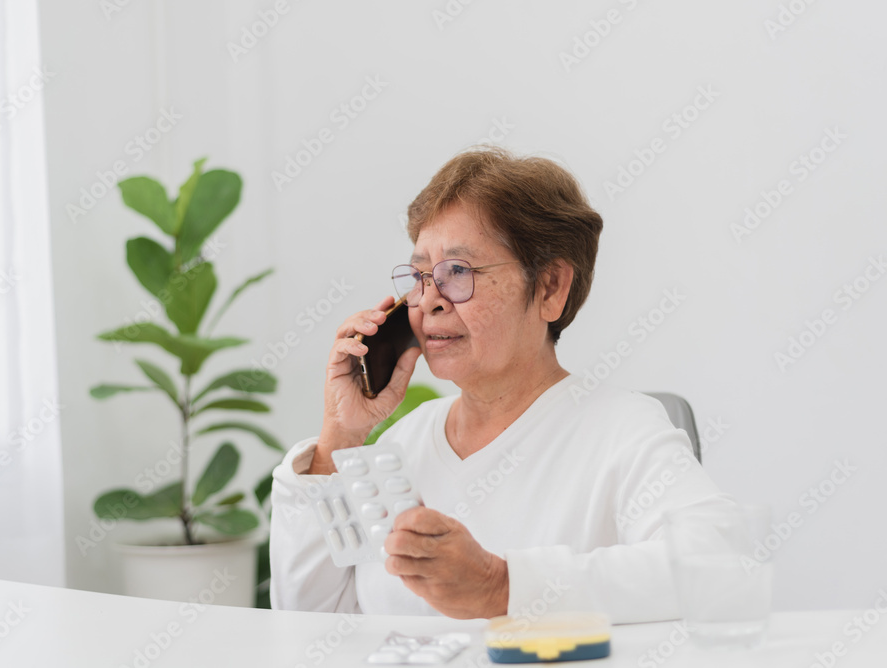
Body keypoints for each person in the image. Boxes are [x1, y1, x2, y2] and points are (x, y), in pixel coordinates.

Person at [269, 146, 734, 622]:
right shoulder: (401, 445)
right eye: (421, 275)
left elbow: (714, 565)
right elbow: (307, 625)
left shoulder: (622, 429)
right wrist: (340, 437)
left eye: (458, 272)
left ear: (550, 288)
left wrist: (502, 587)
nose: (428, 300)